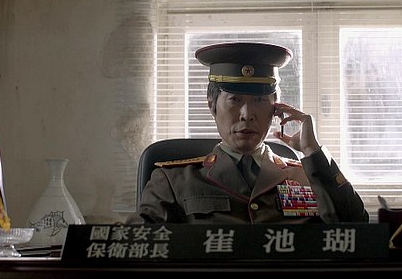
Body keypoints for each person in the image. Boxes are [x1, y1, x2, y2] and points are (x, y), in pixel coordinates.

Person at [127, 41, 369, 224]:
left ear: (276, 108)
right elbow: (136, 246)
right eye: (235, 100)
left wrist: (313, 152)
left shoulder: (307, 176)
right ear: (212, 104)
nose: (247, 114)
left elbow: (356, 227)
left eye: (259, 100)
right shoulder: (174, 180)